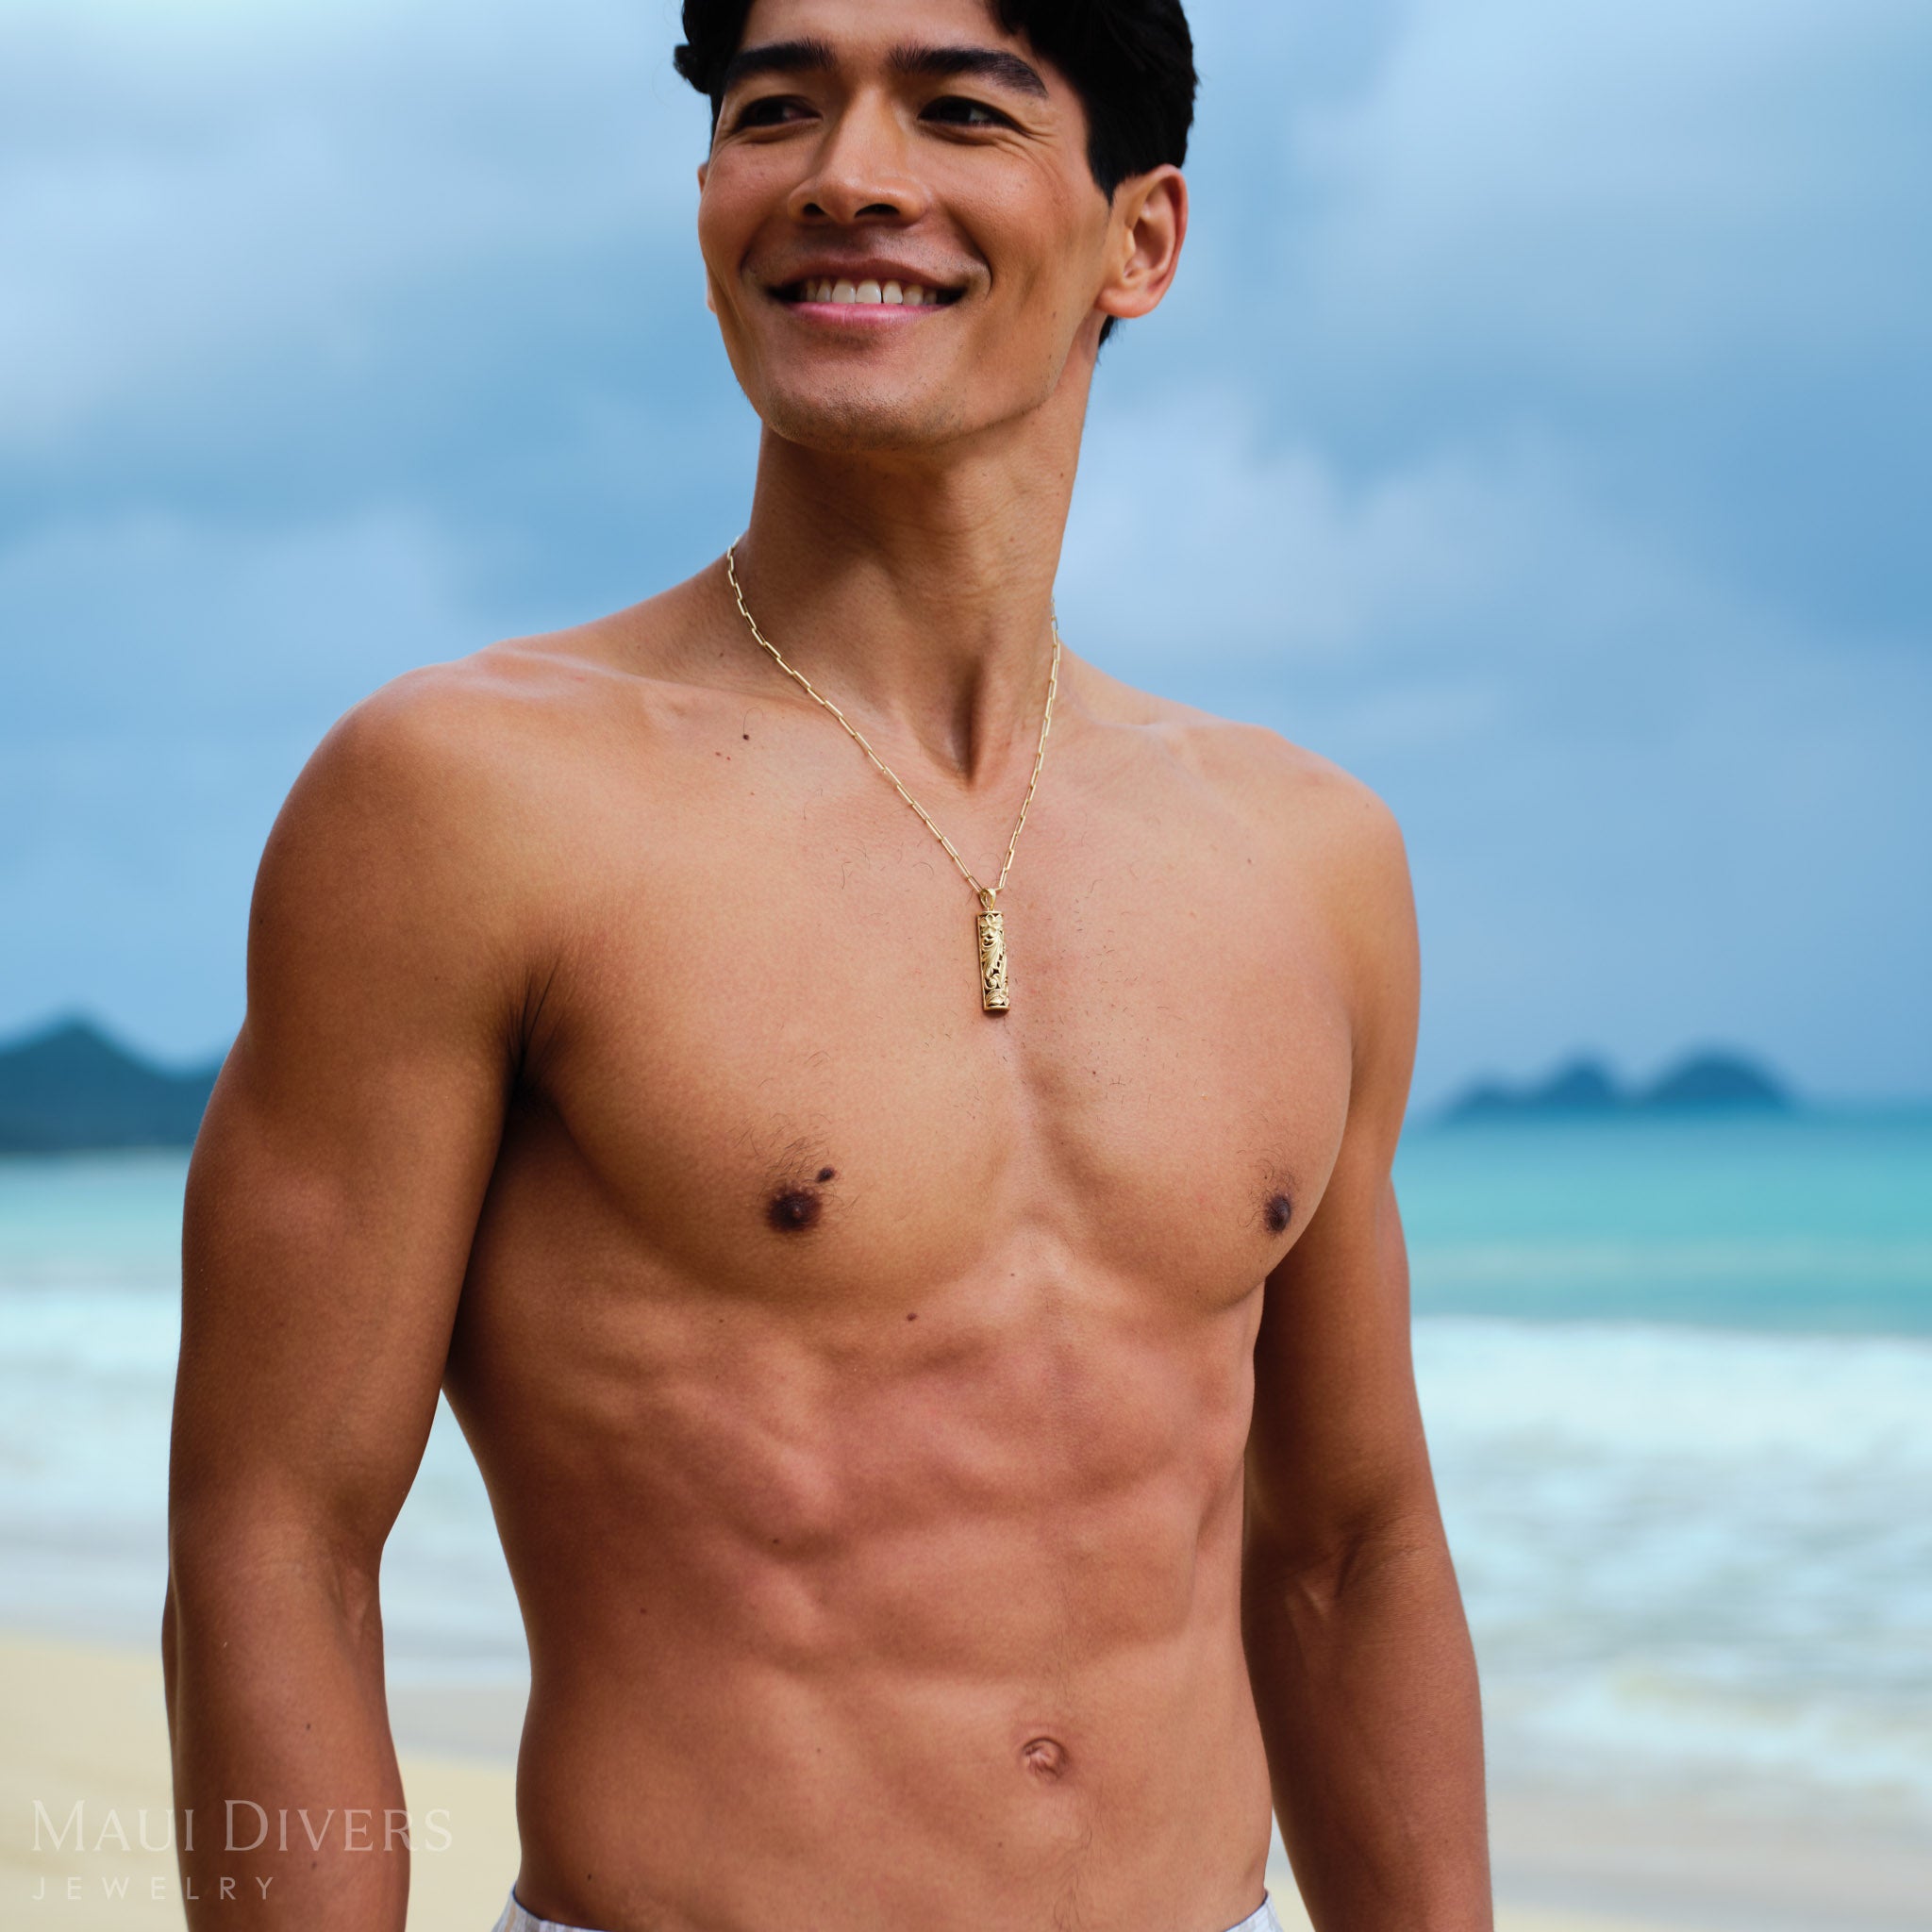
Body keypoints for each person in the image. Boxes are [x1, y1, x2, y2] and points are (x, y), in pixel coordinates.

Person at [162, 2, 1493, 1928]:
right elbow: (272, 1537)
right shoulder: (464, 800)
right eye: (775, 109)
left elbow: (1347, 1547)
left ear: (1142, 238)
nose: (847, 175)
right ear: (712, 196)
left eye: (958, 109)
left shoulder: (1308, 856)